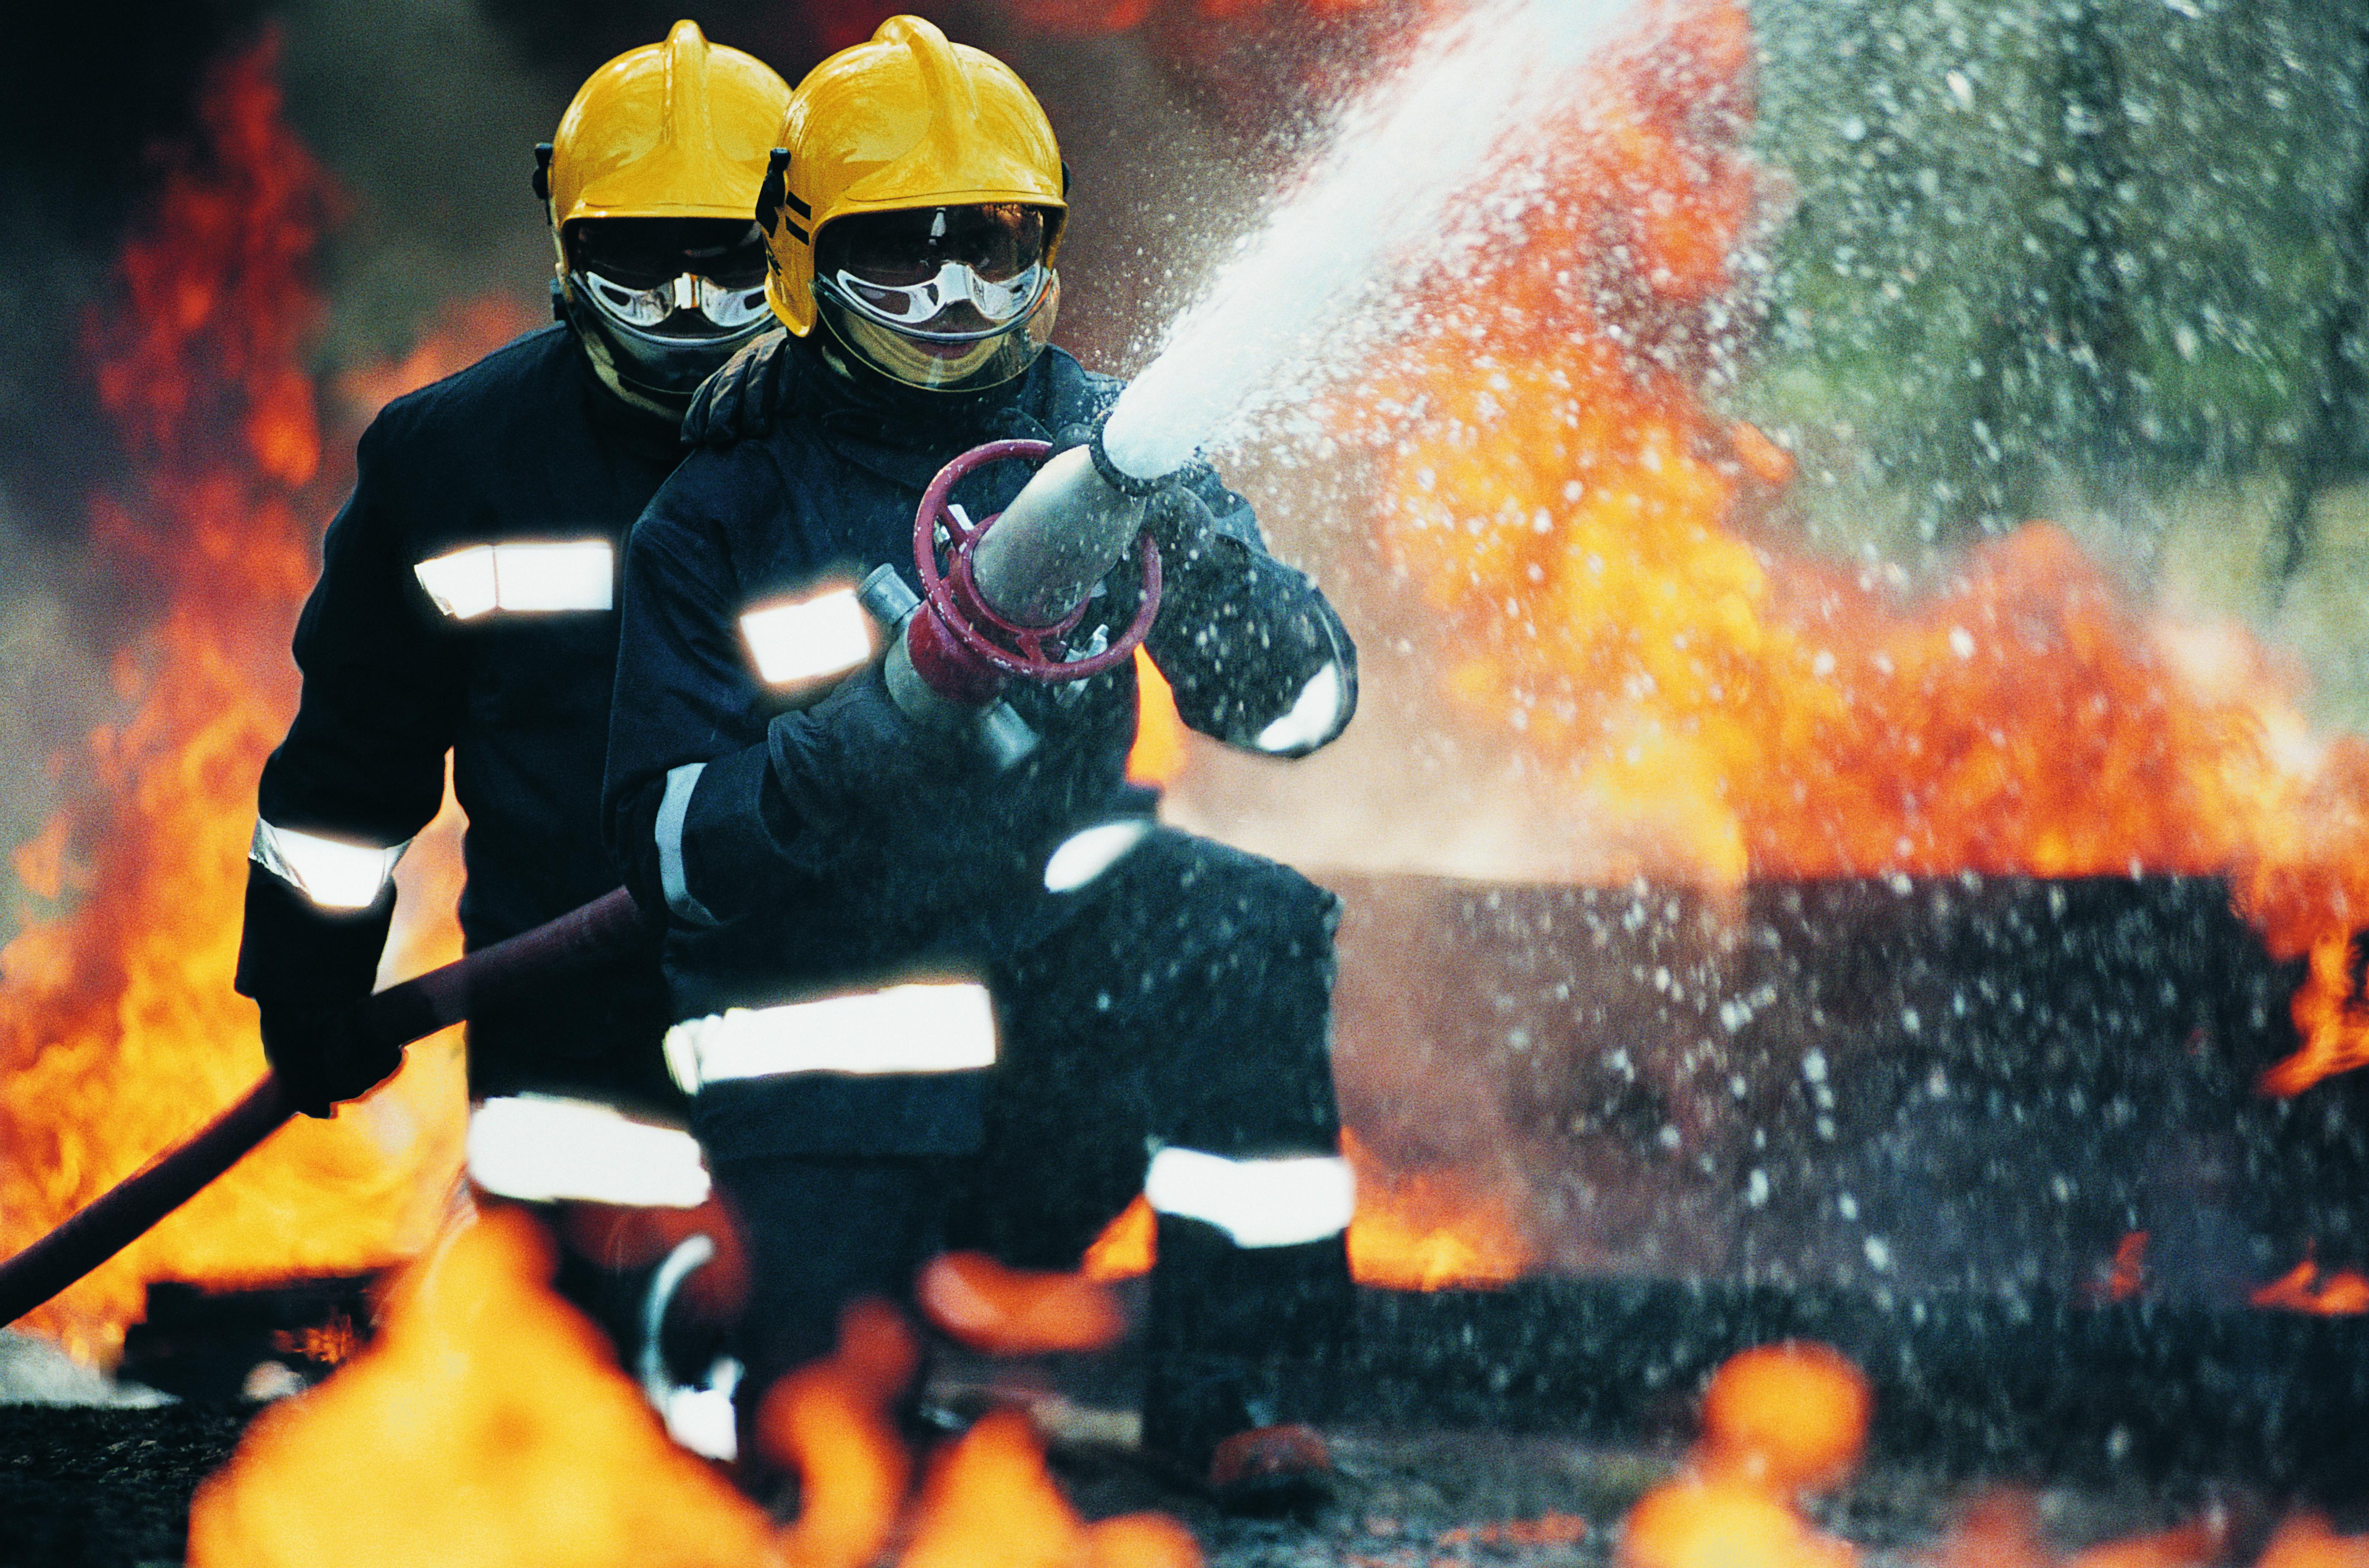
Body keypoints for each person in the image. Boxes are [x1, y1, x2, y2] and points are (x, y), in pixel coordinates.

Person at [603, 14, 1361, 1499]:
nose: (958, 296)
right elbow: (678, 855)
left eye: (998, 247)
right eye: (904, 253)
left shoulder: (1107, 443)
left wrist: (1198, 557)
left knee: (1249, 921)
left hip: (1044, 1001)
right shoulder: (722, 509)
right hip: (826, 1021)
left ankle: (1236, 1392)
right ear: (807, 260)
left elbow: (1299, 715)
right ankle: (773, 1330)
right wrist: (885, 717)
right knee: (821, 1453)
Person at [232, 23, 789, 1396]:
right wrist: (309, 984)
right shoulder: (452, 461)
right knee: (577, 1391)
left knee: (811, 1381)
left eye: (730, 262)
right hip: (562, 998)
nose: (687, 308)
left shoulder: (862, 446)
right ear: (564, 250)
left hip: (816, 988)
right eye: (640, 264)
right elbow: (355, 761)